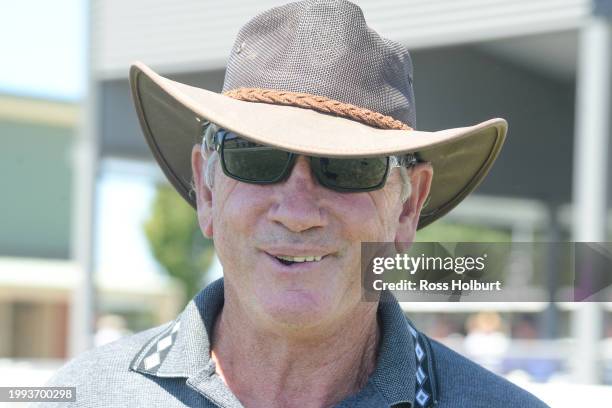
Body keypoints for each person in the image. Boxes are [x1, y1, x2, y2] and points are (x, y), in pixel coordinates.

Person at [40, 0, 549, 407]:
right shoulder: (81, 396)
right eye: (256, 157)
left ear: (407, 207)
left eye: (349, 167)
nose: (298, 212)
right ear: (208, 189)